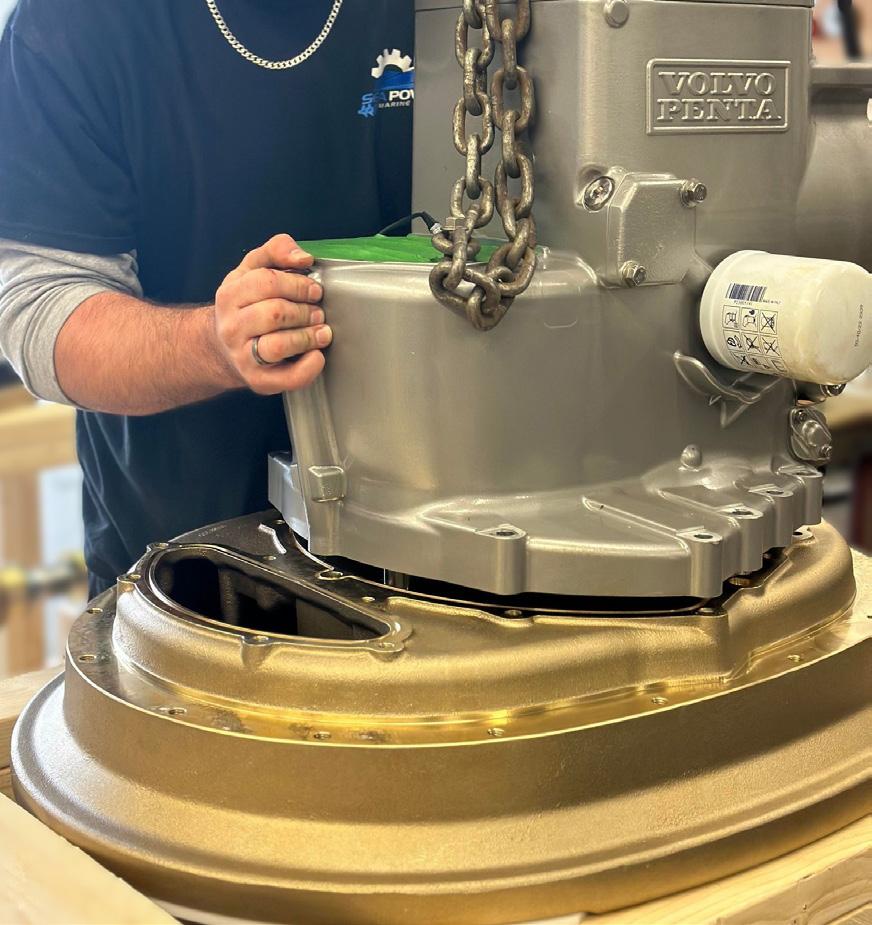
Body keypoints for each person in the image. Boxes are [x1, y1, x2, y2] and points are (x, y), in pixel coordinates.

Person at [0, 0, 414, 596]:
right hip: (180, 576)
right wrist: (214, 345)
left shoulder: (470, 18)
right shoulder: (73, 22)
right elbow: (43, 313)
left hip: (446, 550)